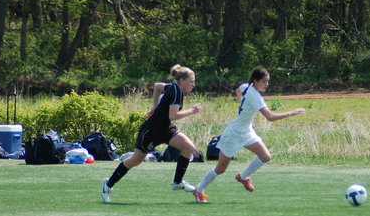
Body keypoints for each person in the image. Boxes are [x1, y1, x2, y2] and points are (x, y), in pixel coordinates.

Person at [192, 67, 305, 203]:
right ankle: (199, 190)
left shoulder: (247, 86)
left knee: (265, 156)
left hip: (246, 132)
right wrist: (291, 113)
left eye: (268, 81)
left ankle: (243, 176)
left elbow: (238, 90)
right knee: (220, 169)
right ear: (255, 81)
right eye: (264, 81)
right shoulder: (255, 96)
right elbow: (269, 117)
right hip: (233, 134)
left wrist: (240, 100)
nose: (267, 84)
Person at [101, 64, 202, 203]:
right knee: (136, 160)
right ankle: (108, 184)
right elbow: (173, 116)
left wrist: (155, 106)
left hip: (166, 129)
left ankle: (177, 182)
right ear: (182, 80)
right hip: (151, 131)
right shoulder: (176, 92)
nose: (193, 85)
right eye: (191, 82)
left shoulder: (173, 87)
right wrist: (192, 111)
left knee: (188, 147)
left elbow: (158, 86)